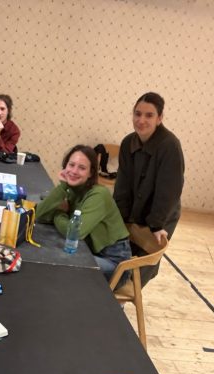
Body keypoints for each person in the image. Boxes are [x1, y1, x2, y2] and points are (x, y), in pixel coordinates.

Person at [113, 92, 185, 285]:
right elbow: (122, 185)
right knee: (122, 254)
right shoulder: (128, 142)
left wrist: (156, 224)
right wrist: (119, 217)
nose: (141, 120)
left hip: (161, 214)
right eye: (137, 114)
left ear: (159, 118)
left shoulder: (170, 145)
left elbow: (169, 191)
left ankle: (126, 293)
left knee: (142, 267)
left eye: (149, 115)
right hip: (135, 207)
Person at [37, 145, 131, 281]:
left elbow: (75, 232)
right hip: (88, 250)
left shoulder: (99, 195)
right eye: (71, 165)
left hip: (114, 263)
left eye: (82, 168)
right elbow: (39, 215)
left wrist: (59, 213)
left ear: (91, 173)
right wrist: (63, 186)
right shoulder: (72, 188)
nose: (74, 171)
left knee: (59, 265)